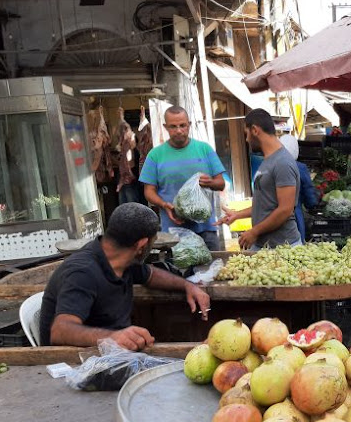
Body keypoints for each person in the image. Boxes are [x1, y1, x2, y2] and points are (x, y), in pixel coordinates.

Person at [39, 203, 211, 350]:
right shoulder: (82, 273)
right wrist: (113, 337)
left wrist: (188, 286)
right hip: (77, 365)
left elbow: (151, 275)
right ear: (142, 245)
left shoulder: (123, 261)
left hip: (114, 357)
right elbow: (60, 331)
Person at [140, 105, 226, 251]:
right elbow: (149, 191)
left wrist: (210, 182)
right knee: (178, 273)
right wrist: (164, 204)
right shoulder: (155, 155)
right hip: (174, 233)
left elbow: (221, 183)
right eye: (173, 126)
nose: (179, 130)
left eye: (183, 125)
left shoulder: (205, 149)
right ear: (165, 127)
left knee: (214, 270)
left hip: (206, 229)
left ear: (189, 125)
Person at [217, 109, 300, 250]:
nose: (247, 139)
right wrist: (237, 214)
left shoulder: (282, 162)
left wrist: (254, 232)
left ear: (254, 130)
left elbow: (285, 210)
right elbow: (265, 204)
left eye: (246, 134)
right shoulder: (268, 160)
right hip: (264, 246)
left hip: (283, 248)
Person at [279, 134, 318, 242]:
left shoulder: (272, 166)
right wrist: (312, 204)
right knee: (296, 245)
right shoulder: (300, 167)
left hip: (275, 215)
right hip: (295, 213)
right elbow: (308, 190)